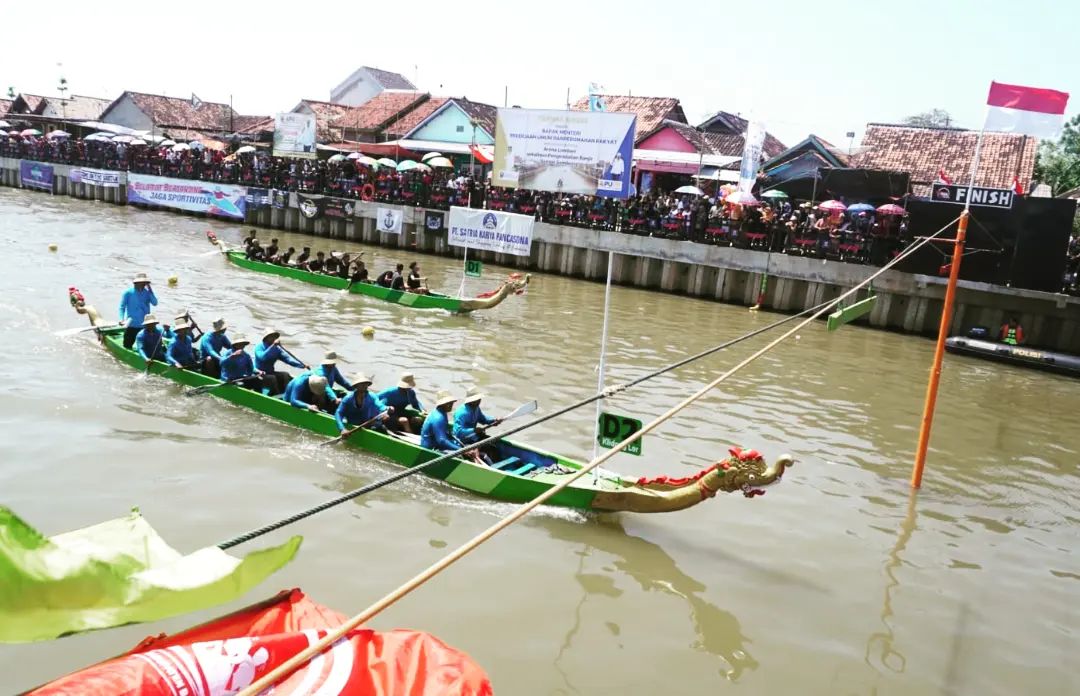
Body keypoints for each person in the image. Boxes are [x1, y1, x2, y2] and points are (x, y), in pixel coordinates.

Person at [254, 329, 307, 395]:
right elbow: (262, 358)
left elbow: (287, 359)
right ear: (266, 338)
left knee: (285, 375)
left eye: (274, 336)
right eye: (271, 336)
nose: (273, 338)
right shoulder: (259, 347)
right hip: (259, 373)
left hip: (270, 372)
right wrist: (272, 346)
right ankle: (276, 394)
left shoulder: (277, 349)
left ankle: (287, 393)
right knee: (272, 378)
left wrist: (302, 365)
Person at [118, 271, 158, 349]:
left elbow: (155, 303)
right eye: (141, 283)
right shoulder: (128, 293)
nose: (143, 285)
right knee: (127, 345)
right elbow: (122, 307)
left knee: (146, 347)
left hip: (144, 325)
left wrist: (150, 290)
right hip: (132, 324)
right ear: (136, 283)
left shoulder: (147, 293)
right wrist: (121, 319)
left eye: (145, 283)